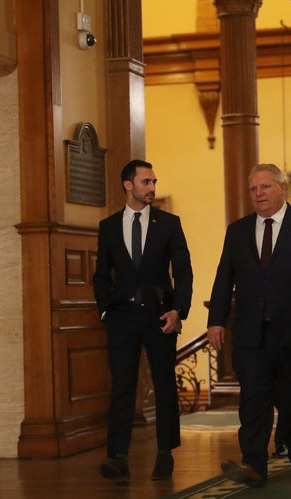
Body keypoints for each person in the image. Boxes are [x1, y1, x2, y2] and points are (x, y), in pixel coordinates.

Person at [207, 163, 291, 487]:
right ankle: (254, 464)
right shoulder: (238, 231)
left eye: (265, 187)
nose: (259, 195)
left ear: (283, 189)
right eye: (253, 189)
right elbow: (223, 279)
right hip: (252, 333)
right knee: (253, 399)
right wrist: (216, 321)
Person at [93, 159, 193, 485]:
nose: (151, 187)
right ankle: (118, 458)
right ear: (128, 184)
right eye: (145, 182)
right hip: (121, 317)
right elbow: (100, 276)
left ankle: (165, 453)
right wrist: (106, 310)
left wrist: (178, 311)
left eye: (153, 182)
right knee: (122, 387)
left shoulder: (169, 223)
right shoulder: (108, 226)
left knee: (164, 384)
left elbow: (184, 272)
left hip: (160, 316)